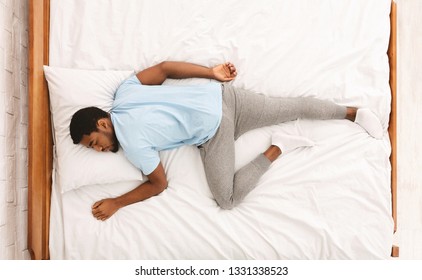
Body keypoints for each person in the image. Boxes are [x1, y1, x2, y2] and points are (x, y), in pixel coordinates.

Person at [70, 61, 383, 221]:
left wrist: (116, 203)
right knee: (292, 106)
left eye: (92, 142)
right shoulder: (125, 91)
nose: (97, 150)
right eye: (91, 149)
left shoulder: (132, 145)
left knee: (228, 200)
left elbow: (158, 184)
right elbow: (165, 68)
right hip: (224, 96)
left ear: (102, 123)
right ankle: (354, 113)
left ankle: (279, 147)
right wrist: (211, 73)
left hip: (216, 130)